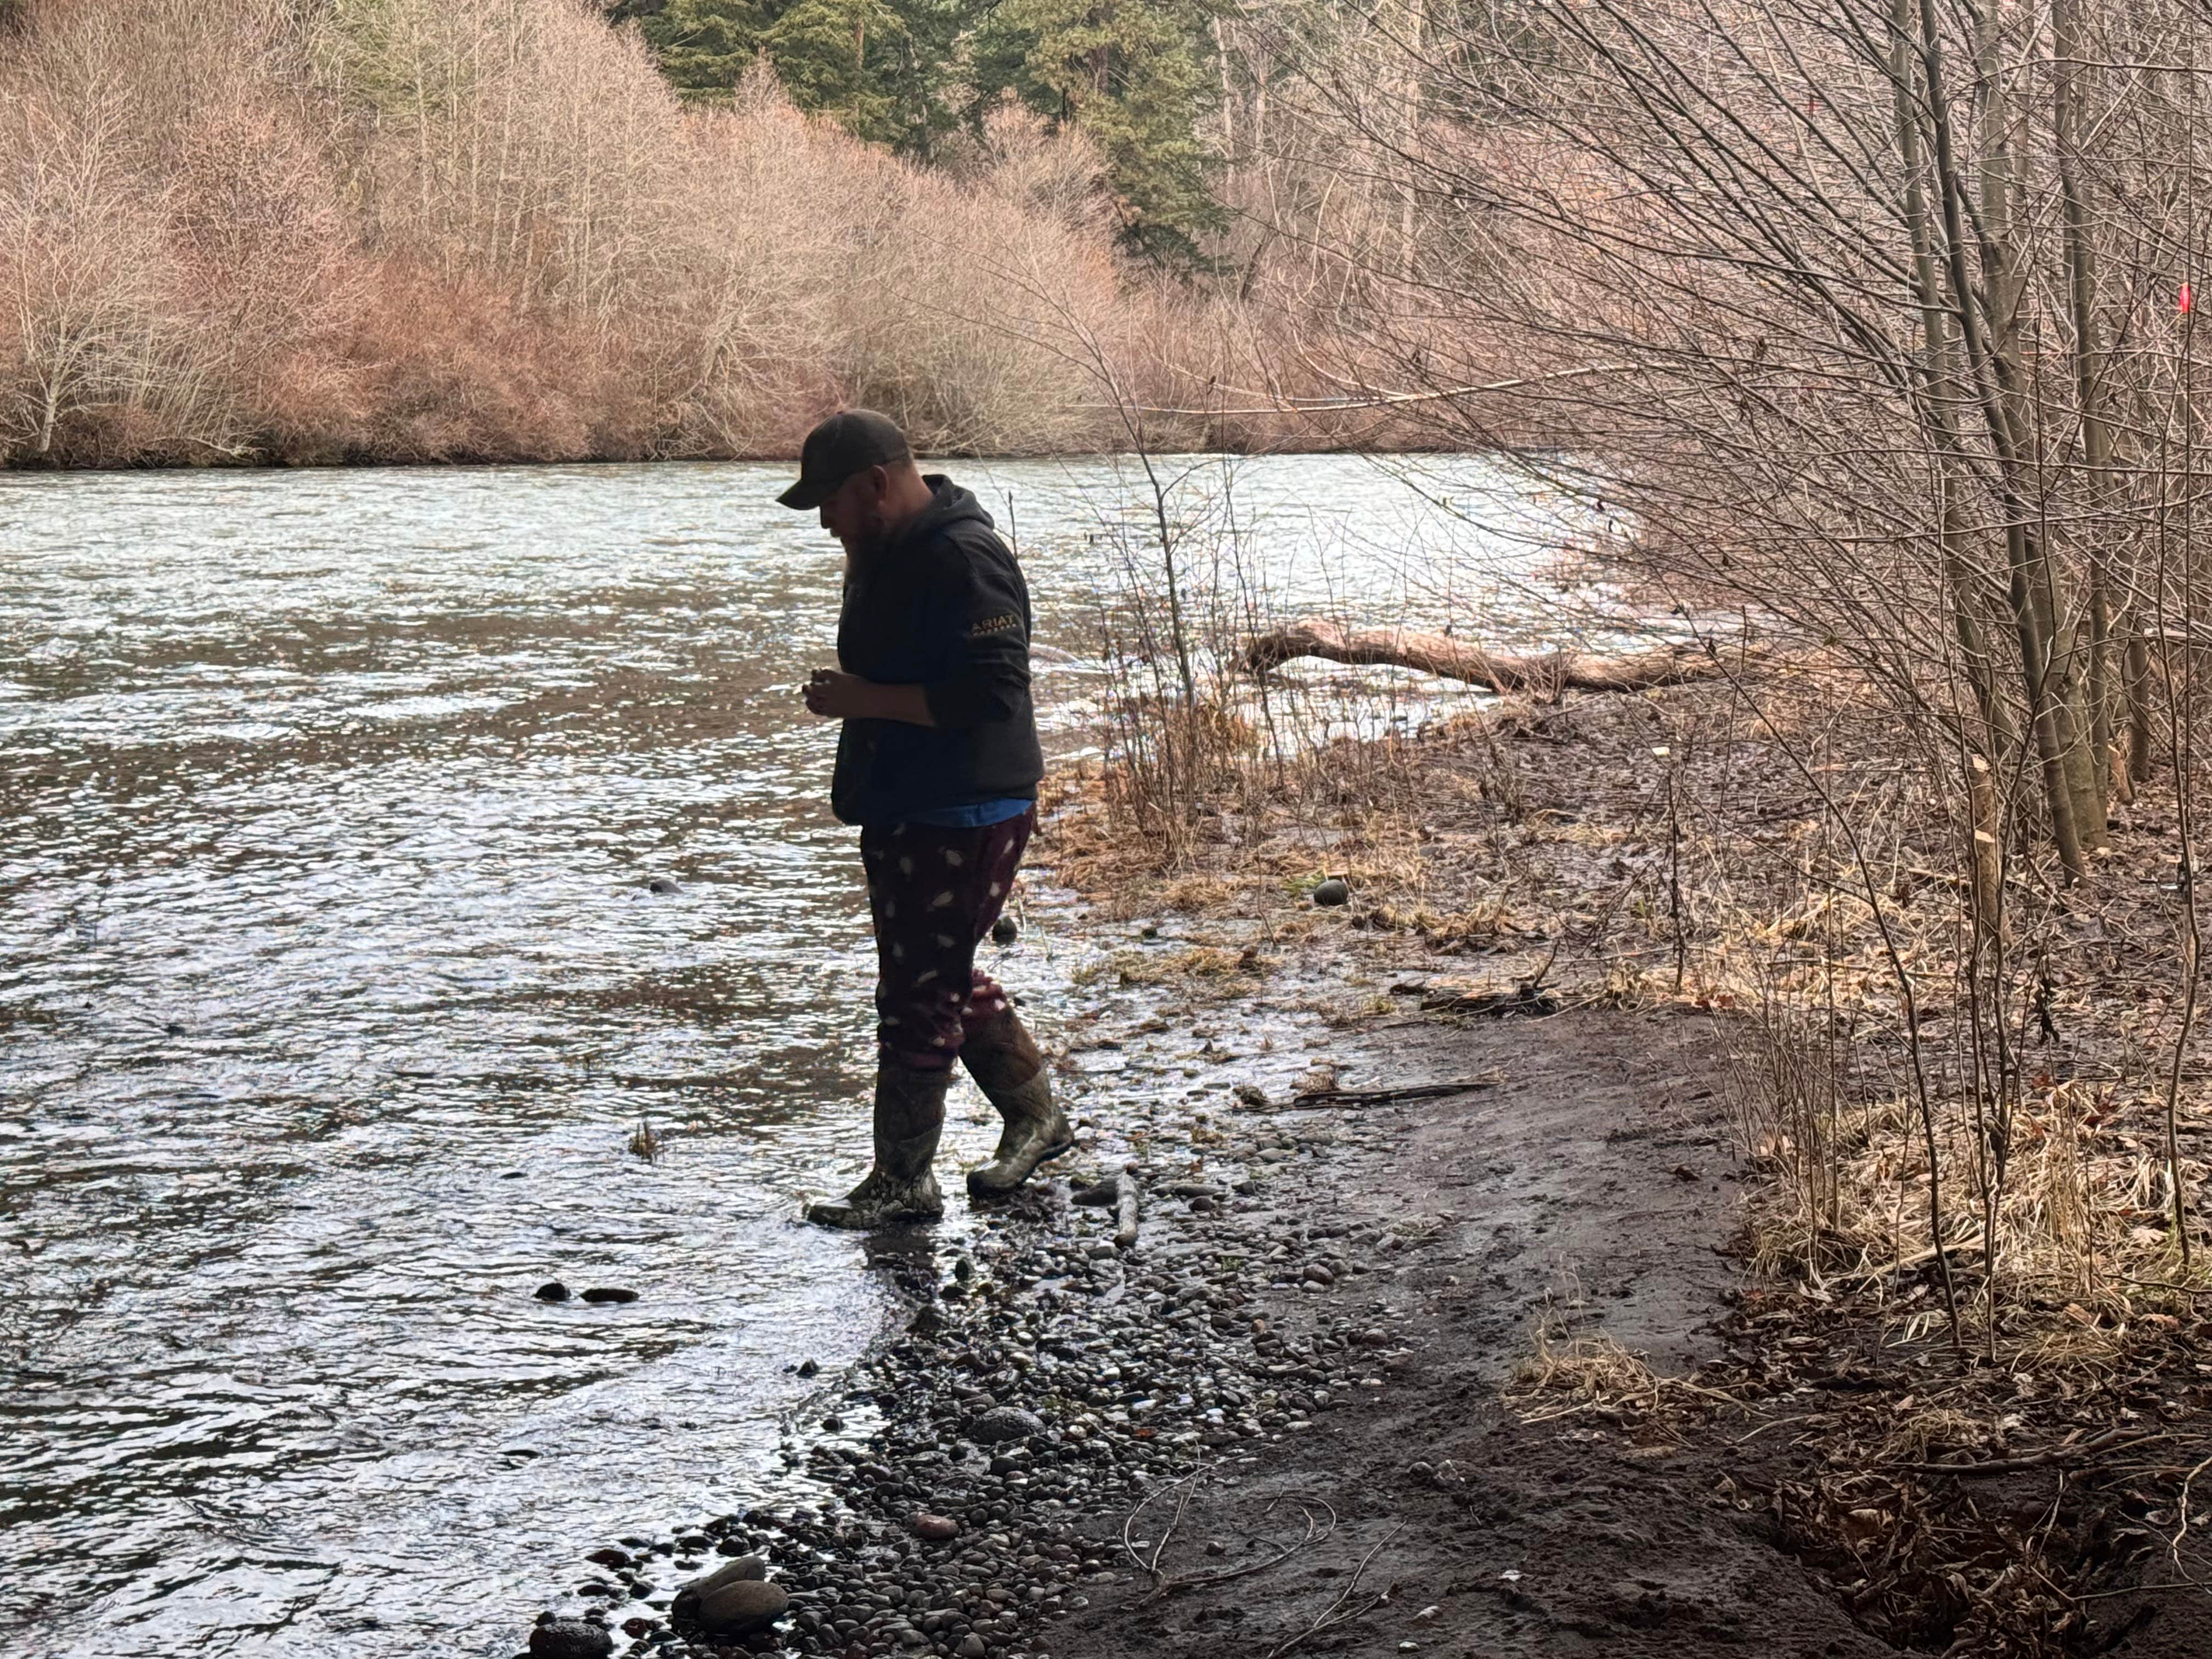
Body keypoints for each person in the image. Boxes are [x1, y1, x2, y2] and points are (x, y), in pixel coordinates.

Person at [782, 409, 1070, 1229]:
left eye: (829, 504)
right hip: (918, 802)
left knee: (918, 993)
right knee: (933, 973)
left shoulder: (964, 557)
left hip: (969, 807)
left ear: (875, 484)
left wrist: (863, 699)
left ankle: (904, 1182)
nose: (825, 523)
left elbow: (994, 693)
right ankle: (1038, 1120)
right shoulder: (888, 548)